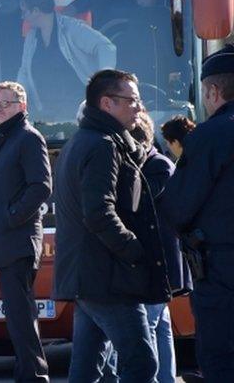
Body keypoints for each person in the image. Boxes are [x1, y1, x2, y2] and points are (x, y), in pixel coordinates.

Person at [52, 69, 169, 383]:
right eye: (130, 100)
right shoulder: (102, 145)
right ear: (106, 103)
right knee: (142, 364)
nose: (138, 107)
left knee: (87, 369)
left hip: (90, 276)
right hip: (108, 277)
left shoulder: (81, 141)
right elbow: (98, 213)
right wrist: (134, 250)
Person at [161, 44, 234, 382]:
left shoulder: (209, 136)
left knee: (220, 359)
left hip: (221, 271)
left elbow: (177, 207)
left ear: (213, 91)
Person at [0, 82, 52, 383]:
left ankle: (34, 376)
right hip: (7, 241)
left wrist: (10, 217)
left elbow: (41, 187)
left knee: (21, 316)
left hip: (17, 241)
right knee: (18, 315)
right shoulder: (9, 137)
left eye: (4, 103)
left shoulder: (28, 137)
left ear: (22, 106)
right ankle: (28, 373)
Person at [129, 111, 186, 383]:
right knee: (160, 324)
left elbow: (138, 206)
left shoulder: (158, 166)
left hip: (159, 262)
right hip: (160, 261)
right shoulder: (157, 164)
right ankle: (166, 378)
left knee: (149, 325)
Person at [16, 0, 116, 118]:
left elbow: (106, 47)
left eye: (24, 12)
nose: (23, 17)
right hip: (45, 109)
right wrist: (17, 97)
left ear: (35, 11)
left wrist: (103, 80)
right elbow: (24, 70)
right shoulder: (31, 37)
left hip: (78, 109)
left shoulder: (72, 28)